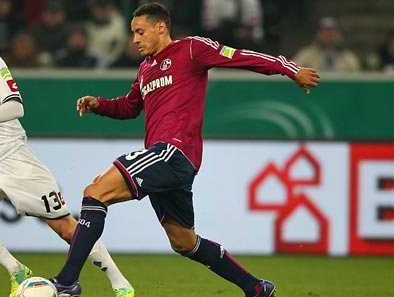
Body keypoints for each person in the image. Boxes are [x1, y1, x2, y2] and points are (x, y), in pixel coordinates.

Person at [50, 2, 319, 297]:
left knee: (96, 191)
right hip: (167, 162)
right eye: (133, 33)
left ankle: (66, 283)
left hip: (173, 152)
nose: (135, 39)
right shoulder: (145, 69)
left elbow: (240, 56)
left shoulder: (191, 49)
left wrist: (289, 69)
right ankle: (256, 288)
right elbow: (129, 107)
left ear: (161, 27)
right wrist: (98, 105)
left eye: (140, 32)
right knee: (184, 242)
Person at [0, 4, 134, 297]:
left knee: (67, 228)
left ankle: (120, 282)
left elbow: (16, 106)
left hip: (14, 158)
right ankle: (16, 270)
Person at [293, 16, 360, 72]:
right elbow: (293, 72)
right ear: (319, 34)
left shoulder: (348, 58)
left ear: (338, 35)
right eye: (326, 32)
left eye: (332, 32)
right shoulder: (306, 54)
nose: (329, 35)